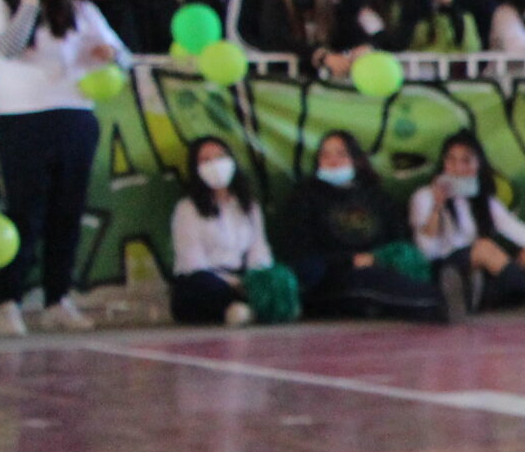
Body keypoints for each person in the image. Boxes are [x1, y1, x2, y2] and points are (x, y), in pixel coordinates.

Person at [0, 0, 124, 335]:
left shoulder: (81, 10)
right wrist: (28, 5)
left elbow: (123, 55)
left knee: (67, 213)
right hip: (22, 119)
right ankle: (9, 301)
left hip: (75, 116)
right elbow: (5, 51)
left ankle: (58, 299)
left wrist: (109, 53)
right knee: (25, 212)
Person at [277, 130, 451, 322]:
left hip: (378, 267)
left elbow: (397, 242)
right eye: (325, 155)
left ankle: (441, 299)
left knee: (396, 278)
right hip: (329, 278)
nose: (333, 160)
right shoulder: (304, 198)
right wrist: (349, 260)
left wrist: (379, 258)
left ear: (356, 159)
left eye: (341, 154)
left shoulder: (376, 197)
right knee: (366, 284)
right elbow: (300, 253)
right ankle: (437, 302)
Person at [407, 132, 525, 315]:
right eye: (451, 160)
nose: (458, 168)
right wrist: (437, 206)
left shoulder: (483, 200)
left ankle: (475, 298)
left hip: (478, 273)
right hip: (443, 268)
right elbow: (427, 247)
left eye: (466, 161)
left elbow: (512, 227)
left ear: (478, 165)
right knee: (483, 247)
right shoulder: (424, 196)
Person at [169, 137, 280, 326]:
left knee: (278, 281)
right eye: (205, 160)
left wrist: (256, 281)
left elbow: (259, 249)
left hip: (242, 278)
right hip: (205, 280)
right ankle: (237, 309)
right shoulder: (187, 208)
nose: (215, 164)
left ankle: (243, 308)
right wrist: (230, 284)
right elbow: (192, 261)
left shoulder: (249, 206)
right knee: (199, 289)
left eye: (220, 157)